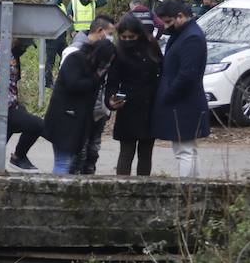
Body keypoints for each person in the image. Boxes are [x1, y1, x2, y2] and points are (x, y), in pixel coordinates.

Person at [151, 0, 210, 177]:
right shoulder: (183, 33)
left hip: (185, 103)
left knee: (184, 151)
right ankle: (193, 189)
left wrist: (168, 95)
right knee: (187, 150)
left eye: (168, 22)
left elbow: (187, 75)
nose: (166, 27)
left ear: (180, 16)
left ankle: (187, 191)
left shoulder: (191, 37)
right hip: (183, 101)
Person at [43, 39, 116, 175]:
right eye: (106, 62)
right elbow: (74, 84)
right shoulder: (76, 60)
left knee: (67, 162)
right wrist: (96, 77)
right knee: (63, 162)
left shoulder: (92, 66)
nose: (106, 66)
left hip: (77, 121)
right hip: (64, 119)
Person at [107, 13, 163, 175]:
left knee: (146, 152)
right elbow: (112, 81)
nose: (127, 40)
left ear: (138, 34)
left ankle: (143, 188)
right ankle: (122, 190)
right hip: (128, 107)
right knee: (126, 151)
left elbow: (162, 70)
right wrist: (111, 100)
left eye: (131, 37)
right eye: (123, 37)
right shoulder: (118, 52)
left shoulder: (151, 46)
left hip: (149, 105)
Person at [0, 37, 43, 171]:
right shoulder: (0, 55)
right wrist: (14, 109)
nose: (24, 49)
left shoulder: (9, 53)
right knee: (37, 125)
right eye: (24, 46)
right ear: (15, 40)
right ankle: (18, 157)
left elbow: (11, 85)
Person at [64, 15, 117, 173]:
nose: (111, 38)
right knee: (79, 152)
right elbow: (69, 85)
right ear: (100, 31)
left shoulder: (108, 52)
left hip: (99, 110)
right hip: (79, 111)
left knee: (93, 152)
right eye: (110, 33)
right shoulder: (74, 51)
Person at [44, 0, 68, 88]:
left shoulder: (62, 4)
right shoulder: (49, 1)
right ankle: (48, 83)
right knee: (50, 61)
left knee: (67, 56)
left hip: (62, 37)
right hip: (51, 37)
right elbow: (51, 6)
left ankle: (62, 78)